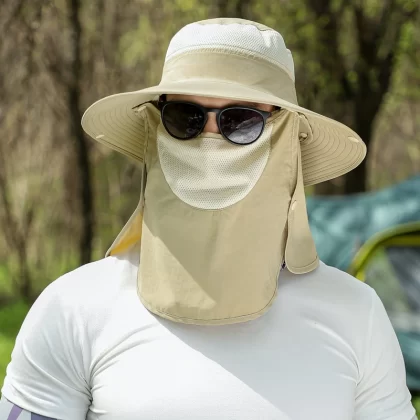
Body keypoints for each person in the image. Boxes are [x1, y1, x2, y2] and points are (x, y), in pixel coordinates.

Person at [0, 17, 417, 420]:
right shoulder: (74, 309)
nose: (210, 140)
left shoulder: (355, 315)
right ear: (155, 126)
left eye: (242, 120)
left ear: (289, 136)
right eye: (185, 117)